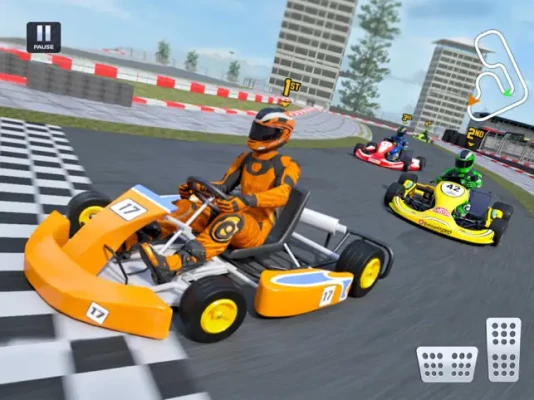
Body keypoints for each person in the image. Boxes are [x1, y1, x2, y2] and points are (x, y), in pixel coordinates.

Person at [138, 107, 301, 284]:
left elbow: (282, 194)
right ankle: (132, 240)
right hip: (236, 213)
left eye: (264, 131)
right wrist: (197, 187)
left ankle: (171, 266)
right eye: (257, 129)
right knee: (185, 207)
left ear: (282, 134)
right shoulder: (245, 159)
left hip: (257, 229)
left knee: (230, 221)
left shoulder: (288, 165)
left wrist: (245, 201)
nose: (257, 134)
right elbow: (223, 186)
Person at [435, 149, 482, 218]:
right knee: (434, 194)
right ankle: (435, 205)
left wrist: (474, 184)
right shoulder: (450, 171)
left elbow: (479, 183)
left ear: (471, 163)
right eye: (460, 163)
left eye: (465, 164)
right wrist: (439, 179)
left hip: (462, 196)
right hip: (446, 192)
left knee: (465, 206)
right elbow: (441, 177)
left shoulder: (474, 175)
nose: (462, 165)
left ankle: (456, 215)